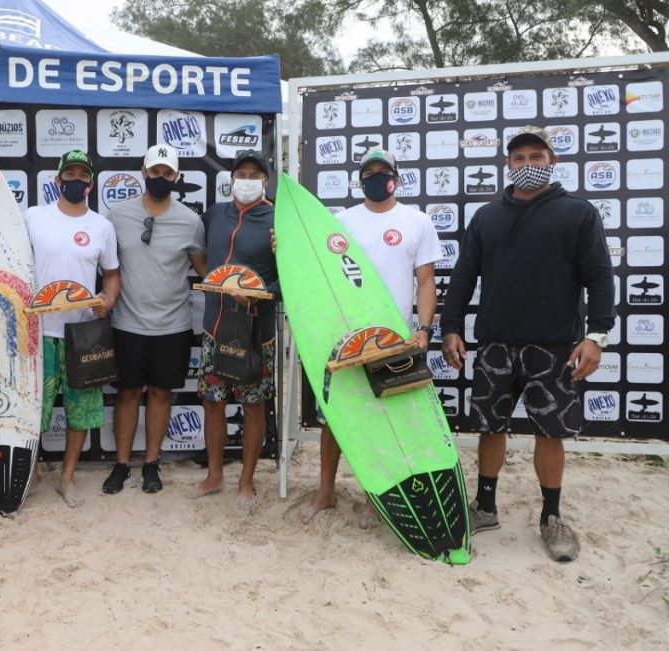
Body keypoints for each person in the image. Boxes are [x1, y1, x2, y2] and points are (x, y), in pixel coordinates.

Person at [440, 126, 615, 562]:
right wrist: (451, 327)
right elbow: (463, 276)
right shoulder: (486, 217)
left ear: (552, 162)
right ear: (507, 165)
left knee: (550, 432)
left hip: (555, 346)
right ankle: (484, 507)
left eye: (537, 157)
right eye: (518, 159)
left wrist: (596, 336)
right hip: (496, 342)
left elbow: (599, 277)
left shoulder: (578, 213)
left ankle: (551, 517)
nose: (528, 165)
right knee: (489, 426)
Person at [299, 149, 442, 526]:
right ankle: (326, 491)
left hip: (395, 339)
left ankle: (373, 495)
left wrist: (424, 330)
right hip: (346, 336)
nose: (376, 177)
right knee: (337, 417)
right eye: (369, 172)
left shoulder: (417, 221)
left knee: (387, 417)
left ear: (396, 177)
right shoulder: (341, 221)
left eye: (384, 171)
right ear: (359, 180)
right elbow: (321, 272)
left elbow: (426, 281)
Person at [102, 144, 206, 494]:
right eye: (155, 171)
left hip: (173, 324)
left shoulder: (191, 222)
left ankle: (150, 463)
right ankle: (120, 464)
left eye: (168, 173)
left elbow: (205, 271)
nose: (161, 177)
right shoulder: (116, 216)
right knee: (128, 394)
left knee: (161, 394)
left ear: (176, 177)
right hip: (127, 323)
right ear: (143, 172)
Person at [26, 150, 120, 508]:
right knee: (34, 409)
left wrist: (107, 301)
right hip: (36, 333)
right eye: (70, 175)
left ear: (90, 184)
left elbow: (111, 275)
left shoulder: (101, 226)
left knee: (80, 410)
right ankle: (31, 472)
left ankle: (67, 478)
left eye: (82, 175)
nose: (75, 181)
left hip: (82, 335)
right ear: (57, 180)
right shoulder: (33, 217)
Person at [190, 149, 278, 508]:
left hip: (258, 330)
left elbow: (291, 277)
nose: (246, 180)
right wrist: (213, 280)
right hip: (215, 327)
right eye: (240, 174)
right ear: (231, 180)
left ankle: (246, 480)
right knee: (212, 402)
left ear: (265, 181)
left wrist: (259, 296)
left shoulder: (278, 219)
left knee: (253, 406)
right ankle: (214, 475)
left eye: (254, 175)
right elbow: (199, 256)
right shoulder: (214, 215)